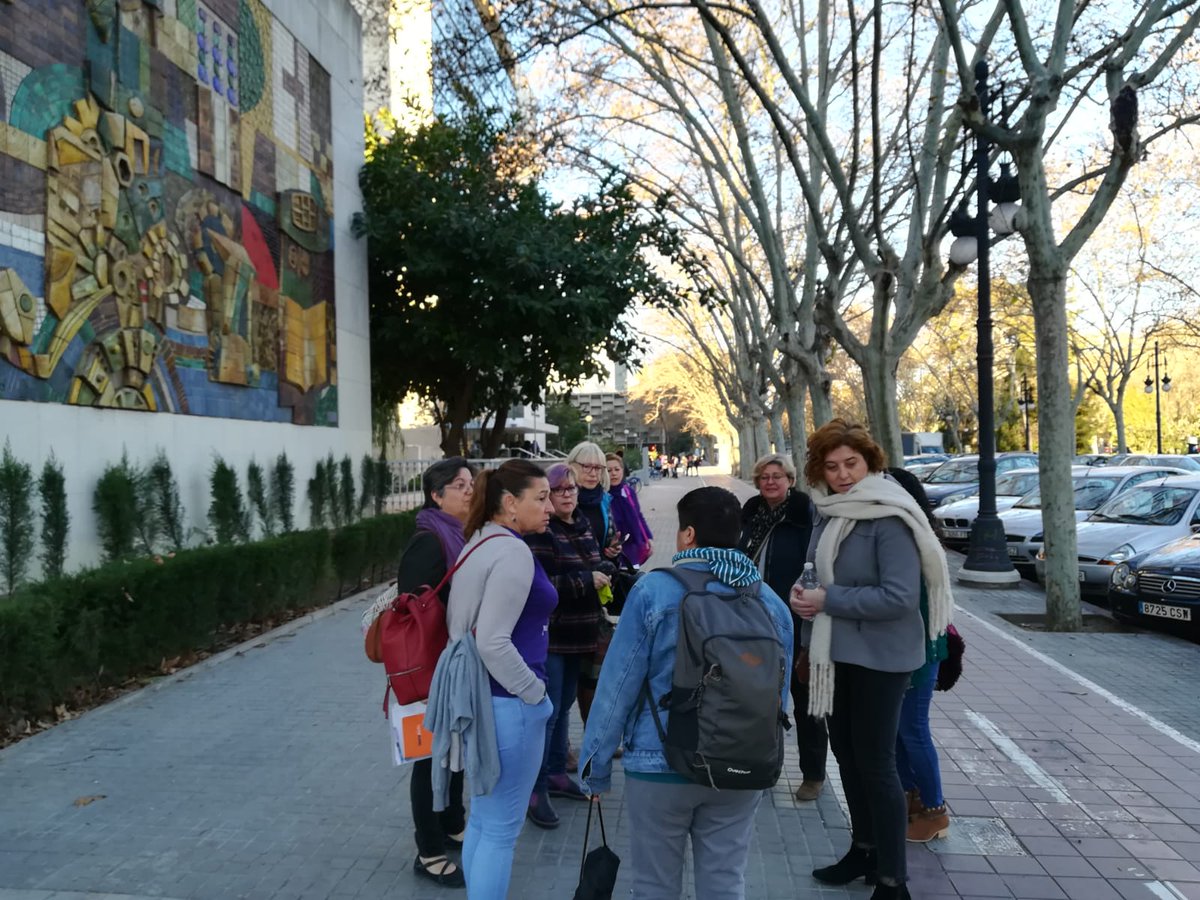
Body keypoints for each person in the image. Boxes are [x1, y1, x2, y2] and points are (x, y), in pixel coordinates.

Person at [580, 486, 793, 900]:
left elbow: (617, 686)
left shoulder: (655, 591)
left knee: (655, 886)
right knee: (725, 882)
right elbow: (777, 696)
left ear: (688, 535)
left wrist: (596, 768)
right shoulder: (768, 601)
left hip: (657, 762)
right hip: (741, 764)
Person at [792, 419, 951, 900]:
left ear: (870, 462)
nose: (842, 475)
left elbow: (899, 598)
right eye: (832, 465)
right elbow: (815, 572)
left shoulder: (889, 514)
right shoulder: (828, 511)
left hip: (883, 657)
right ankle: (863, 850)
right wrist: (801, 594)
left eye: (851, 464)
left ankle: (892, 879)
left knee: (877, 764)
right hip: (833, 652)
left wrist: (828, 600)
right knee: (847, 755)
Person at [444, 460, 557, 899]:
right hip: (509, 704)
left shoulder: (479, 541)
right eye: (541, 498)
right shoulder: (511, 551)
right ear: (510, 503)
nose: (549, 506)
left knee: (487, 822)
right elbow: (492, 641)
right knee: (501, 830)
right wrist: (536, 695)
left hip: (483, 699)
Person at [397, 458, 477, 888]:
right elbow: (409, 606)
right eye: (458, 485)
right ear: (436, 495)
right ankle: (428, 851)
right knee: (429, 757)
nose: (468, 490)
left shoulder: (463, 534)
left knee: (456, 747)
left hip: (458, 660)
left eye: (471, 483)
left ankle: (452, 823)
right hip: (431, 666)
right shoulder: (429, 539)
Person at [522, 463, 611, 829]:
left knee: (564, 710)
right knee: (548, 714)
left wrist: (606, 565)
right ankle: (535, 788)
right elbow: (543, 585)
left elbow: (594, 560)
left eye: (572, 489)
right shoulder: (543, 531)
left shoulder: (582, 525)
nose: (569, 495)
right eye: (559, 491)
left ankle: (557, 772)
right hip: (555, 636)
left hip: (583, 634)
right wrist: (586, 579)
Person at [738, 453, 827, 803]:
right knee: (757, 700)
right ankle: (758, 766)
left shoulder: (805, 514)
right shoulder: (750, 514)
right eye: (764, 477)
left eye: (778, 476)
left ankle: (814, 775)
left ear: (790, 480)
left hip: (797, 621)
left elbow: (816, 562)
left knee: (806, 703)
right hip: (753, 621)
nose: (771, 482)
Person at [887, 467, 951, 844]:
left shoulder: (918, 542)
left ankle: (934, 809)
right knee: (898, 731)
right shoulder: (907, 536)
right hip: (908, 649)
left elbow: (921, 605)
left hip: (921, 651)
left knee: (913, 730)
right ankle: (911, 798)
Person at [607, 452, 654, 566]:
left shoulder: (628, 491)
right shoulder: (602, 496)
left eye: (616, 469)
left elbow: (638, 515)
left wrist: (647, 537)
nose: (613, 473)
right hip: (612, 552)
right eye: (609, 470)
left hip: (633, 548)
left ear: (622, 471)